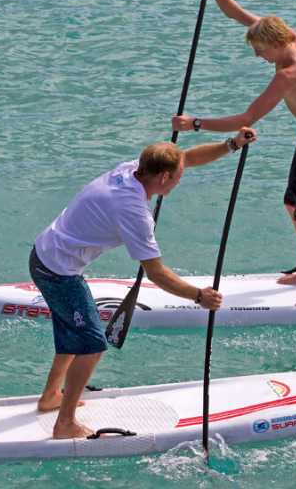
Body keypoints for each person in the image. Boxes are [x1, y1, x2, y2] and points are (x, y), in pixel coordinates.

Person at [30, 128, 257, 439]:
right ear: (163, 177)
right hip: (58, 272)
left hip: (45, 255)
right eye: (177, 177)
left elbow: (187, 158)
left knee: (75, 333)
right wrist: (199, 296)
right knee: (92, 344)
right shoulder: (133, 212)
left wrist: (231, 145)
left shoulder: (131, 169)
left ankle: (50, 397)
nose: (180, 180)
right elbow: (156, 273)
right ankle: (65, 424)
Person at [171, 0, 296, 309]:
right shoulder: (286, 37)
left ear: (276, 44)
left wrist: (195, 123)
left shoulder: (290, 74)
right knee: (292, 204)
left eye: (260, 51)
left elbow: (247, 118)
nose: (258, 56)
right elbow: (238, 15)